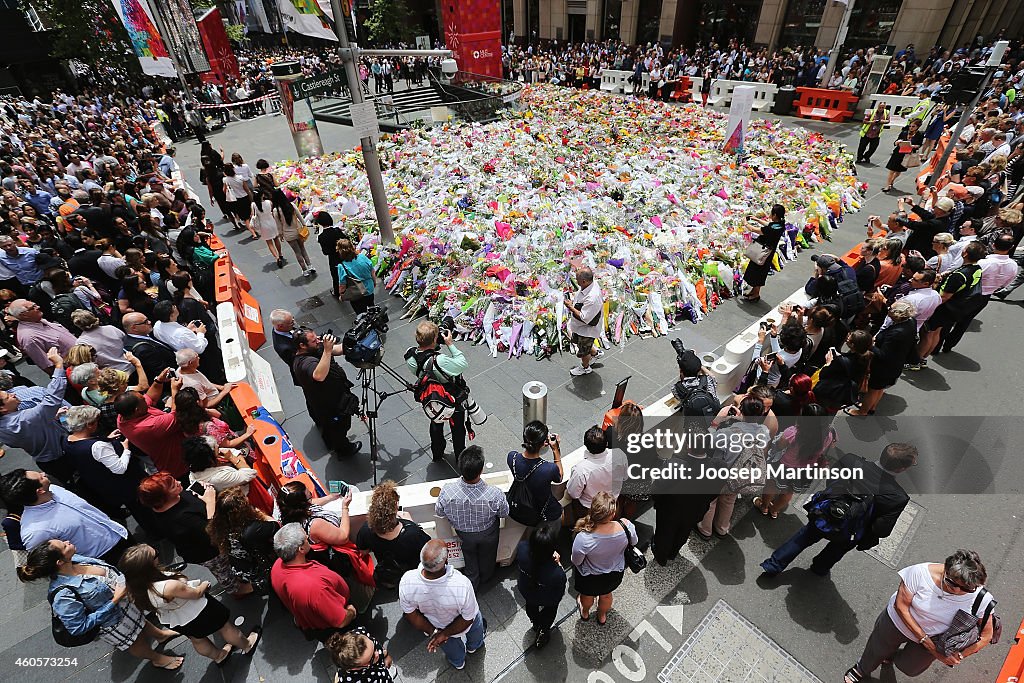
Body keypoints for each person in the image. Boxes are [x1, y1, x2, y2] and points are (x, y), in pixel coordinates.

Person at [16, 540, 183, 671]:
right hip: (113, 621)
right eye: (64, 545)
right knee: (135, 641)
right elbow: (78, 627)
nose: (67, 542)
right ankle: (157, 659)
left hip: (125, 603)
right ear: (60, 562)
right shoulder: (63, 595)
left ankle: (160, 635)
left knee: (139, 620)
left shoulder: (76, 559)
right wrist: (114, 600)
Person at [760, 443, 916, 577]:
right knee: (836, 550)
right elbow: (882, 529)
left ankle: (774, 565)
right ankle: (819, 568)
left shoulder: (851, 460)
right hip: (851, 531)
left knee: (804, 536)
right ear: (902, 469)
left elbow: (831, 482)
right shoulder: (898, 497)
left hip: (827, 513)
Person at [844, 549, 996, 682]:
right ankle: (862, 669)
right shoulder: (920, 573)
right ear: (946, 571)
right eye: (953, 585)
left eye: (968, 589)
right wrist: (926, 641)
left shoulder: (981, 598)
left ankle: (890, 654)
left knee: (911, 668)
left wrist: (960, 655)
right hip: (898, 623)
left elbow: (986, 635)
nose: (958, 591)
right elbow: (901, 607)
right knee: (878, 648)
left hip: (935, 638)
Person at [120, 543, 261, 666]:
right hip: (199, 610)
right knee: (225, 627)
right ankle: (247, 645)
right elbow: (196, 593)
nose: (158, 554)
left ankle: (219, 656)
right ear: (149, 566)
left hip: (175, 620)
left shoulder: (135, 590)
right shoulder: (168, 586)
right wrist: (204, 585)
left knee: (197, 640)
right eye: (155, 554)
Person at [136, 472, 253, 598]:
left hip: (214, 540)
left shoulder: (173, 499)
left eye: (175, 480)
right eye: (173, 486)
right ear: (162, 498)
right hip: (208, 552)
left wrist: (201, 493)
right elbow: (212, 533)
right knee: (224, 573)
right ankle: (236, 590)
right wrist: (210, 502)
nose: (179, 483)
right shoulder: (178, 520)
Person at [278, 480, 375, 613]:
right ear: (302, 504)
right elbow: (342, 536)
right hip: (336, 557)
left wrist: (330, 497)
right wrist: (345, 508)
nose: (311, 496)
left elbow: (313, 504)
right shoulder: (315, 525)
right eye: (309, 495)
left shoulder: (290, 514)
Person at [0, 468, 131, 563]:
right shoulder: (35, 531)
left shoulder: (54, 489)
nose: (43, 473)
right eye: (40, 477)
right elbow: (51, 562)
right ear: (39, 490)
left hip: (118, 532)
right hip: (106, 557)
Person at [399, 539, 486, 671]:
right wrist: (445, 634)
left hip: (437, 626)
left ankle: (458, 663)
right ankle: (473, 647)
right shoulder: (461, 584)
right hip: (462, 626)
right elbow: (468, 618)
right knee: (475, 630)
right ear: (446, 560)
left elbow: (411, 615)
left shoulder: (407, 581)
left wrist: (436, 633)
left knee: (452, 651)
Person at [62, 404, 151, 526]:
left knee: (137, 509)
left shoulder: (67, 440)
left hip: (108, 484)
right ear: (89, 424)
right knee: (145, 508)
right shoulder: (98, 446)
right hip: (128, 483)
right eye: (96, 421)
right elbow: (120, 468)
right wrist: (126, 449)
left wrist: (107, 440)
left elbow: (91, 456)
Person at [435, 446, 508, 590]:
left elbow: (439, 511)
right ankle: (487, 577)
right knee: (488, 556)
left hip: (463, 534)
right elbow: (504, 513)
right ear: (481, 470)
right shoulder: (495, 494)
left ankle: (472, 581)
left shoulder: (447, 491)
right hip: (488, 533)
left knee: (469, 556)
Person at [270, 523, 358, 641]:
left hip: (311, 617)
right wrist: (351, 611)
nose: (308, 538)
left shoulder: (276, 566)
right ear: (300, 549)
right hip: (334, 626)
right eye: (306, 538)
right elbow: (341, 621)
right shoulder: (314, 588)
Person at [0, 347, 76, 483]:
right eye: (8, 397)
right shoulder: (26, 418)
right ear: (3, 409)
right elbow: (52, 399)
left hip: (45, 461)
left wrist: (48, 419)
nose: (13, 394)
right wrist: (58, 365)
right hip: (62, 455)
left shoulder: (8, 426)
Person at [753, 403, 835, 517]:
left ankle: (764, 506)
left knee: (771, 485)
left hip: (783, 466)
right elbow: (831, 446)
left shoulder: (792, 433)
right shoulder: (829, 435)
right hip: (805, 470)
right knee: (788, 491)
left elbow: (780, 446)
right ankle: (774, 510)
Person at [405, 320, 470, 462]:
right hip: (450, 395)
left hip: (431, 396)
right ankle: (460, 455)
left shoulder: (410, 356)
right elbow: (462, 364)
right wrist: (450, 344)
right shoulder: (440, 360)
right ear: (435, 339)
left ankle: (437, 454)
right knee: (458, 427)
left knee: (436, 423)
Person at [291, 328, 362, 456]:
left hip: (331, 397)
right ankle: (343, 450)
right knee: (339, 427)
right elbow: (319, 375)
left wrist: (353, 342)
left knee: (330, 427)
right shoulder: (304, 362)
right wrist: (327, 350)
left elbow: (338, 350)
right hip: (329, 405)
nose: (318, 341)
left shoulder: (313, 348)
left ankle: (330, 438)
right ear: (302, 345)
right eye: (314, 340)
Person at [571, 491, 637, 626]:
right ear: (612, 513)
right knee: (606, 595)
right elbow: (634, 542)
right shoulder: (626, 526)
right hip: (614, 572)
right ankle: (601, 616)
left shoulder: (584, 538)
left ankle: (585, 613)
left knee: (587, 596)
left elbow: (576, 561)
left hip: (589, 576)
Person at [941, 233, 1016, 352]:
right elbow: (1005, 284)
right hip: (984, 298)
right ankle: (948, 346)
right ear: (1011, 247)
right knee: (964, 323)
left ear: (993, 244)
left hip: (966, 294)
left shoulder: (983, 263)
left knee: (948, 319)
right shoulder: (1013, 266)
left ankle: (937, 345)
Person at [847, 300, 919, 416]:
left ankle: (862, 411)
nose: (888, 309)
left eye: (890, 309)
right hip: (895, 364)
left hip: (884, 367)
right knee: (879, 389)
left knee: (873, 389)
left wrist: (870, 345)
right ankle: (871, 407)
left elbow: (883, 355)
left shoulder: (896, 333)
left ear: (897, 315)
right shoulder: (911, 322)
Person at [357, 479, 430, 589]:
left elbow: (363, 551)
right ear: (395, 507)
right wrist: (410, 523)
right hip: (410, 573)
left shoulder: (366, 530)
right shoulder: (412, 532)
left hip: (388, 570)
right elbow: (427, 550)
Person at [115, 368, 187, 476]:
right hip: (179, 465)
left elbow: (150, 397)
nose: (145, 398)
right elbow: (177, 416)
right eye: (142, 400)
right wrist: (175, 391)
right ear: (137, 410)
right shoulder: (146, 427)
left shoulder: (125, 414)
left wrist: (159, 380)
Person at [206, 486, 279, 594]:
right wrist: (259, 513)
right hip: (261, 570)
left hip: (241, 568)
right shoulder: (252, 529)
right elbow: (276, 525)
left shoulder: (217, 526)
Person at [516, 524, 566, 649]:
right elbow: (561, 583)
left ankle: (535, 622)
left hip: (527, 590)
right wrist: (559, 563)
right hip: (548, 598)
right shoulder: (555, 573)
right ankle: (543, 630)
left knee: (531, 606)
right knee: (549, 611)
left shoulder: (522, 549)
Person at [507, 420, 564, 529]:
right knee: (559, 513)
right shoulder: (548, 469)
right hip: (540, 511)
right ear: (544, 443)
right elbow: (559, 477)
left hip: (516, 508)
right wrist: (556, 449)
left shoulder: (512, 457)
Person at [812, 330, 873, 412]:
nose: (847, 338)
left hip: (833, 391)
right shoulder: (866, 357)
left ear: (852, 345)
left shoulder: (841, 361)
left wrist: (829, 363)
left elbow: (823, 374)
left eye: (849, 339)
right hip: (846, 392)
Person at [9, 299, 76, 372]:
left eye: (35, 305)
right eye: (33, 308)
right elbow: (48, 367)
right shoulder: (29, 337)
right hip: (76, 368)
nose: (38, 307)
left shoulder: (39, 320)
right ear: (24, 315)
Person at [566, 425, 622, 513]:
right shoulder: (619, 455)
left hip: (589, 507)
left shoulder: (580, 470)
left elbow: (573, 494)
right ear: (606, 443)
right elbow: (624, 476)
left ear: (586, 446)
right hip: (613, 501)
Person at [565, 266, 605, 375]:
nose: (576, 281)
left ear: (584, 281)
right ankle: (596, 353)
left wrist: (570, 307)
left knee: (584, 351)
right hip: (581, 328)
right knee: (583, 343)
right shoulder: (590, 284)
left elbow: (584, 318)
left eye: (577, 280)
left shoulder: (592, 297)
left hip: (587, 329)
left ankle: (585, 368)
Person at [742, 204, 787, 302]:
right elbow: (768, 224)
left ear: (774, 215)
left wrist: (745, 223)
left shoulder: (771, 229)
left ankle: (756, 294)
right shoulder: (780, 224)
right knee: (759, 272)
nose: (770, 214)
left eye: (771, 212)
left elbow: (755, 230)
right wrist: (756, 219)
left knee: (758, 272)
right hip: (768, 252)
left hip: (763, 252)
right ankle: (754, 292)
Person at [182, 434, 258, 493]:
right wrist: (232, 457)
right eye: (216, 448)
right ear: (210, 458)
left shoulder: (197, 463)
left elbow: (233, 451)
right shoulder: (218, 478)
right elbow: (250, 473)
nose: (218, 447)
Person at [121, 312, 177, 383]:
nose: (149, 322)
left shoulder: (135, 336)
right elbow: (162, 374)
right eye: (145, 322)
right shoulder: (143, 350)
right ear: (134, 328)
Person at [326, 628, 398, 683]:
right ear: (354, 668)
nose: (378, 653)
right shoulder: (354, 680)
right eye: (372, 658)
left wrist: (385, 655)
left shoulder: (359, 634)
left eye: (374, 648)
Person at [272, 189, 314, 276]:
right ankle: (310, 266)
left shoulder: (276, 211)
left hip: (288, 234)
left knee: (297, 252)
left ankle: (304, 270)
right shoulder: (291, 205)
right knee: (303, 249)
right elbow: (299, 216)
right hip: (298, 231)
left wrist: (281, 235)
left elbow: (279, 225)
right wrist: (304, 225)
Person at [883, 118, 925, 192]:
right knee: (891, 170)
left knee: (898, 171)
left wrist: (912, 146)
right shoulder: (904, 132)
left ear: (917, 127)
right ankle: (887, 185)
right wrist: (897, 142)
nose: (911, 128)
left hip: (907, 154)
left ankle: (892, 180)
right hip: (898, 152)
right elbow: (896, 142)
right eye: (910, 126)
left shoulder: (920, 134)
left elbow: (919, 145)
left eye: (913, 126)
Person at [336, 238, 375, 313]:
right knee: (372, 308)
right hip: (369, 289)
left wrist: (342, 295)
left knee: (361, 314)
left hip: (357, 293)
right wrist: (374, 282)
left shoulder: (342, 266)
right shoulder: (362, 257)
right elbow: (372, 271)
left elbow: (342, 285)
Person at [315, 212, 346, 298]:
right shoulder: (337, 230)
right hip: (344, 256)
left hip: (333, 259)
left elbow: (325, 252)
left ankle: (337, 292)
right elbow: (347, 240)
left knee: (336, 276)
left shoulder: (321, 237)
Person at [251, 188, 284, 267]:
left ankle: (276, 258)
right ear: (262, 195)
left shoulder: (253, 205)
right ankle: (280, 254)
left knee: (269, 243)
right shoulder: (269, 202)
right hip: (272, 222)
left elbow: (253, 215)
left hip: (263, 225)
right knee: (276, 239)